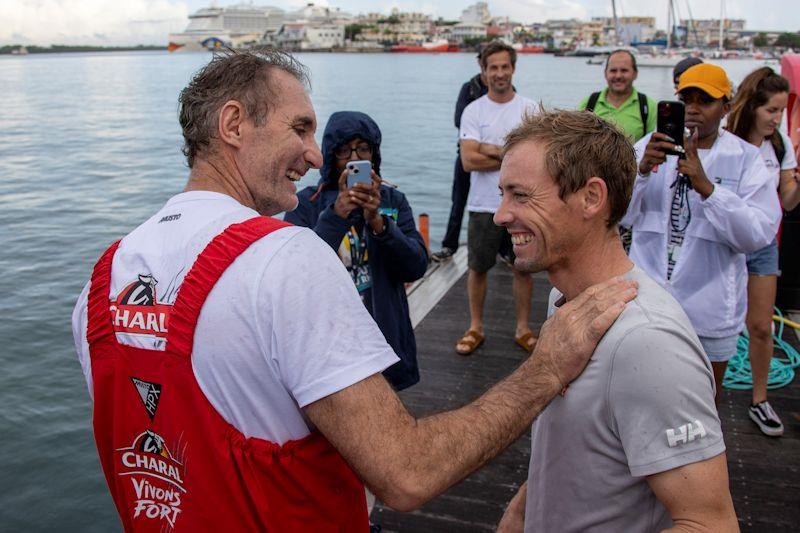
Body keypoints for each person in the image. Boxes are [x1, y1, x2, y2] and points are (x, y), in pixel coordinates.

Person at [71, 49, 637, 531]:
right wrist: (547, 368)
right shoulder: (284, 257)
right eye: (300, 129)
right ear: (234, 124)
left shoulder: (105, 276)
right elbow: (406, 474)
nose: (317, 155)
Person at [494, 109, 738, 533]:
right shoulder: (567, 302)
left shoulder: (646, 341)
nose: (500, 214)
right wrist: (522, 510)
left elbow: (709, 523)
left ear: (591, 198)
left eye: (520, 195)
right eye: (503, 193)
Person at [623, 63, 782, 404]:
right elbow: (620, 217)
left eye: (705, 100)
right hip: (648, 301)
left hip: (709, 310)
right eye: (687, 98)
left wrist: (708, 189)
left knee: (703, 403)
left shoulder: (745, 159)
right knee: (641, 396)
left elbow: (757, 234)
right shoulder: (648, 148)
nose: (693, 108)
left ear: (726, 106)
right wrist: (641, 172)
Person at [284, 111, 427, 391]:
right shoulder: (305, 204)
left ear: (374, 154)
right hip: (328, 344)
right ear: (330, 154)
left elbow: (416, 266)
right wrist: (336, 215)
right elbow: (295, 274)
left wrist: (380, 224)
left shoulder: (393, 201)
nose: (353, 159)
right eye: (344, 150)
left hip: (384, 337)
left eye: (362, 148)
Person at [726, 67, 800, 436]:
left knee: (760, 326)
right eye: (771, 110)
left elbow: (786, 201)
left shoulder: (780, 145)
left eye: (781, 111)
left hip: (762, 246)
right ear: (752, 106)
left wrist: (798, 184)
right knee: (710, 324)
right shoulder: (726, 140)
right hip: (724, 247)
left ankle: (759, 399)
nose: (777, 119)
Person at [456, 40, 538, 356]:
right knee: (477, 267)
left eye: (505, 67)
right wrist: (509, 155)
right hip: (482, 204)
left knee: (523, 268)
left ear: (513, 69)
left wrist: (488, 148)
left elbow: (533, 162)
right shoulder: (473, 110)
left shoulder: (529, 109)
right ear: (483, 71)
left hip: (522, 205)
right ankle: (475, 327)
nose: (500, 73)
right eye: (494, 67)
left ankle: (523, 329)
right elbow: (468, 162)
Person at [431, 56, 487, 263]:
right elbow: (459, 119)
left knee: (502, 201)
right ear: (481, 63)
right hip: (466, 155)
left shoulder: (507, 89)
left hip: (492, 158)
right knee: (458, 201)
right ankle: (450, 245)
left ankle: (506, 248)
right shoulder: (469, 88)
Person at [578, 49, 656, 142]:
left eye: (624, 70)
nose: (618, 76)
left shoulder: (648, 107)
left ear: (635, 74)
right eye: (613, 70)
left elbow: (654, 146)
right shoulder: (588, 104)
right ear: (605, 73)